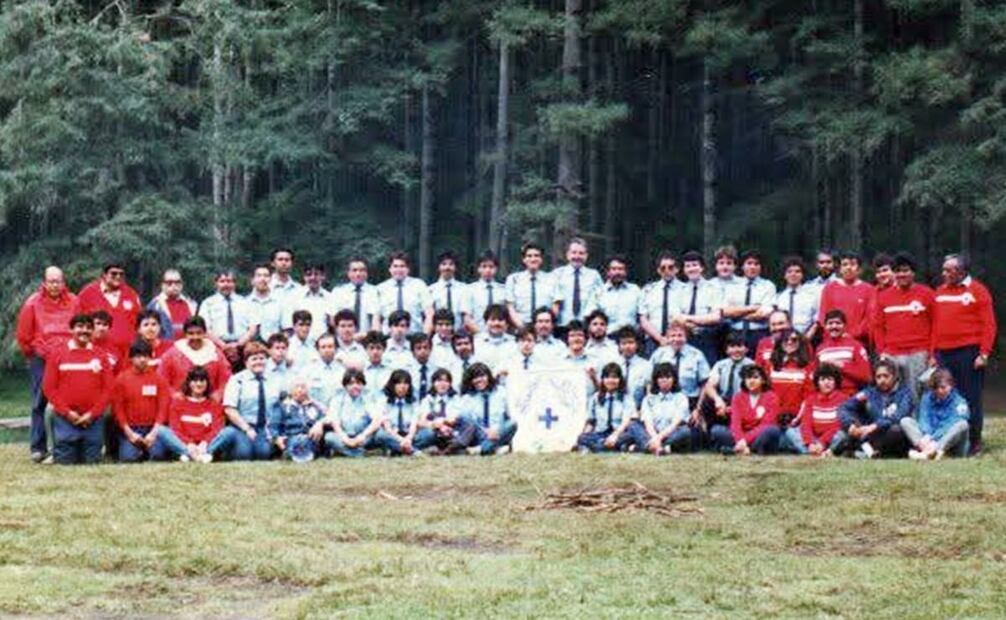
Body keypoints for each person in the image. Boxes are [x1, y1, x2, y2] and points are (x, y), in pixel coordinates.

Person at [931, 253, 996, 455]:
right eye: (943, 269)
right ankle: (949, 441)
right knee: (944, 395)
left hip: (969, 353)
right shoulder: (939, 292)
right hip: (943, 353)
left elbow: (989, 325)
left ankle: (974, 442)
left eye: (949, 270)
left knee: (970, 398)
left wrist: (984, 353)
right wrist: (933, 353)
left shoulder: (978, 290)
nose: (944, 273)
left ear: (962, 271)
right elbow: (935, 325)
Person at [16, 266, 78, 462]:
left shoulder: (74, 301)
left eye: (58, 281)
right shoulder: (32, 303)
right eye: (51, 281)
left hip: (68, 356)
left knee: (69, 399)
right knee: (40, 401)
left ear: (63, 282)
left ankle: (66, 443)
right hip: (42, 358)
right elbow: (24, 336)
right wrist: (33, 354)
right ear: (44, 282)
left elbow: (82, 326)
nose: (54, 285)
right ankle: (38, 447)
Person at [42, 314, 114, 465]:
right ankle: (54, 452)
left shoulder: (100, 355)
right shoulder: (57, 354)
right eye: (80, 326)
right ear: (71, 329)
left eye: (89, 327)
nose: (85, 330)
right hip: (66, 417)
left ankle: (98, 447)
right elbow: (49, 388)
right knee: (66, 461)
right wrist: (68, 413)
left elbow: (108, 389)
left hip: (92, 418)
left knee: (92, 460)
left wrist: (92, 414)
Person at [871, 252, 934, 398]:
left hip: (918, 353)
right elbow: (878, 327)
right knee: (891, 393)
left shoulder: (927, 294)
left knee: (916, 393)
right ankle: (893, 421)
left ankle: (915, 421)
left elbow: (935, 326)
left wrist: (932, 354)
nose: (901, 274)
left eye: (905, 270)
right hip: (891, 353)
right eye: (898, 271)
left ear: (913, 272)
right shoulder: (883, 297)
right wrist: (882, 353)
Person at [213, 342, 280, 461]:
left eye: (262, 358)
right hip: (242, 426)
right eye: (254, 359)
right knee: (244, 455)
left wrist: (274, 433)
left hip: (263, 428)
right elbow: (229, 410)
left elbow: (279, 405)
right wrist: (247, 428)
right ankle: (218, 451)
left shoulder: (274, 380)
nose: (258, 362)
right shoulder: (237, 380)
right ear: (246, 362)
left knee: (264, 454)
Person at [110, 340, 171, 462]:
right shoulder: (121, 379)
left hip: (153, 428)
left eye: (145, 356)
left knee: (158, 456)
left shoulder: (159, 379)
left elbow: (163, 408)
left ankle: (147, 450)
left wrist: (154, 433)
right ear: (131, 358)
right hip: (131, 429)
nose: (142, 360)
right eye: (138, 356)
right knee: (128, 459)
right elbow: (118, 409)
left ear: (150, 357)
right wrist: (130, 434)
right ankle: (136, 450)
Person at [838, 360, 912, 459]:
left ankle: (865, 452)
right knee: (846, 432)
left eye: (886, 376)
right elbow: (844, 408)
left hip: (890, 433)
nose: (882, 380)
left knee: (896, 430)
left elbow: (900, 415)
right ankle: (869, 451)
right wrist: (850, 425)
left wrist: (875, 426)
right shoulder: (868, 393)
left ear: (894, 376)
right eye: (878, 377)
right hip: (870, 435)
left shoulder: (904, 393)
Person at [710, 365, 781, 456]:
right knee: (717, 430)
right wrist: (740, 440)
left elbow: (766, 424)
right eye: (748, 378)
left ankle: (739, 450)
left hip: (759, 435)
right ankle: (746, 450)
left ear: (763, 380)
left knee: (772, 430)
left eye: (755, 378)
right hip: (741, 435)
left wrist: (744, 441)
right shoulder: (738, 397)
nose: (751, 381)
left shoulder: (772, 397)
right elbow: (735, 423)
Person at [157, 367, 224, 463]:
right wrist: (189, 443)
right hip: (185, 443)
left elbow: (216, 428)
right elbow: (175, 428)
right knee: (161, 430)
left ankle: (194, 455)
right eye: (195, 380)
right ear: (188, 383)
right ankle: (193, 455)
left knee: (229, 432)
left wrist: (205, 442)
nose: (199, 384)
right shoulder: (178, 403)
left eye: (202, 380)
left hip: (206, 444)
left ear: (207, 383)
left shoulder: (214, 404)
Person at [694, 333, 754, 439]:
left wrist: (732, 408)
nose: (736, 350)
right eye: (732, 346)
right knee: (707, 401)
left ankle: (732, 436)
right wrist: (718, 400)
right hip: (723, 403)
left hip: (743, 403)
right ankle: (708, 437)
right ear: (726, 350)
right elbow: (710, 386)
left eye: (739, 346)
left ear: (746, 349)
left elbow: (753, 392)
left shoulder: (752, 366)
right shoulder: (720, 365)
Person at [77, 262, 142, 361]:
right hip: (98, 353)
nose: (118, 277)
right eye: (114, 273)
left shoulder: (131, 294)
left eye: (121, 274)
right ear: (104, 275)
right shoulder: (87, 294)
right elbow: (78, 323)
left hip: (127, 354)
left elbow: (139, 322)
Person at [576, 363, 646, 453]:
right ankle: (611, 446)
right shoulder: (595, 398)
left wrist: (615, 435)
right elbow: (591, 422)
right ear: (603, 379)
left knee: (631, 435)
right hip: (601, 434)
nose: (611, 380)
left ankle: (600, 447)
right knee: (582, 438)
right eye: (607, 377)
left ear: (620, 380)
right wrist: (584, 434)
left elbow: (626, 421)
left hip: (620, 433)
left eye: (614, 377)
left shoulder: (626, 398)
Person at [902, 369, 971, 460]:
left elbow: (950, 424)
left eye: (943, 387)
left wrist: (934, 439)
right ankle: (928, 452)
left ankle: (932, 451)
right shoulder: (927, 398)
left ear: (951, 386)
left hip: (950, 445)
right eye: (935, 388)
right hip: (928, 441)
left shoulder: (960, 403)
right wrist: (927, 435)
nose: (939, 391)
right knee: (906, 421)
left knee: (963, 424)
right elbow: (924, 418)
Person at [159, 316, 232, 402]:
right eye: (191, 333)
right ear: (185, 334)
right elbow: (161, 378)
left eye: (199, 333)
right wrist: (173, 394)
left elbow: (226, 378)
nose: (195, 337)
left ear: (205, 333)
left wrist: (219, 394)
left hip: (209, 403)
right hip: (179, 404)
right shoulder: (172, 354)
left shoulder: (216, 354)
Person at [782, 364, 847, 457]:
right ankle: (812, 452)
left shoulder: (843, 399)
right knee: (790, 432)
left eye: (830, 379)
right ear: (817, 382)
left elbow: (838, 425)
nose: (826, 383)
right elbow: (806, 424)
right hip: (814, 438)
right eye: (822, 379)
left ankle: (818, 452)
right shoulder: (811, 399)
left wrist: (822, 442)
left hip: (830, 438)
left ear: (836, 382)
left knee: (842, 434)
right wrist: (810, 443)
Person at [672, 251, 723, 365]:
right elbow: (675, 317)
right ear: (684, 270)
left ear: (702, 268)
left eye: (695, 265)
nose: (691, 269)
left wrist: (688, 318)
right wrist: (698, 321)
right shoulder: (680, 290)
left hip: (707, 339)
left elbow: (715, 317)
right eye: (687, 266)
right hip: (684, 339)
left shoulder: (713, 289)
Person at [454, 363, 516, 455]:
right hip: (479, 434)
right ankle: (492, 449)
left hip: (497, 433)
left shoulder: (501, 392)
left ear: (488, 377)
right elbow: (470, 423)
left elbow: (509, 415)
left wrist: (497, 430)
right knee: (464, 416)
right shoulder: (467, 397)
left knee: (512, 424)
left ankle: (480, 449)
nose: (479, 380)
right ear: (471, 380)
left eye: (482, 376)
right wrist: (486, 431)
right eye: (475, 377)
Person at [198, 270, 256, 365]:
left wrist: (238, 345)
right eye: (222, 281)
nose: (226, 284)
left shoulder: (245, 302)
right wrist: (223, 345)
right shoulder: (208, 303)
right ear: (216, 283)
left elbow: (252, 328)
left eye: (229, 281)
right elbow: (204, 329)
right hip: (216, 348)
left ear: (234, 283)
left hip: (242, 347)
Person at [724, 250, 777, 353]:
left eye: (756, 264)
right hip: (735, 332)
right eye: (749, 263)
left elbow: (765, 313)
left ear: (760, 267)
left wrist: (737, 314)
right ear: (742, 266)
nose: (752, 267)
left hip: (759, 333)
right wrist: (753, 308)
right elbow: (726, 312)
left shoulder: (768, 286)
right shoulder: (732, 286)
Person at [323, 370, 385, 457]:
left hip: (363, 437)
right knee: (329, 437)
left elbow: (376, 421)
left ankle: (346, 451)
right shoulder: (337, 400)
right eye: (351, 384)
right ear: (345, 386)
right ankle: (360, 453)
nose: (355, 386)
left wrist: (362, 436)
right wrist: (346, 440)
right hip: (344, 436)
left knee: (380, 433)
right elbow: (335, 422)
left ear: (363, 385)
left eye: (358, 383)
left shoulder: (368, 399)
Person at [817, 251, 874, 344]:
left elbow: (870, 318)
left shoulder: (869, 290)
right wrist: (836, 333)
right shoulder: (829, 288)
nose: (848, 267)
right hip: (832, 341)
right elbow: (823, 315)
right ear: (839, 269)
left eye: (852, 264)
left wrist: (852, 334)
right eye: (845, 264)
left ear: (859, 269)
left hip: (859, 342)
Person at [766, 330, 814, 439]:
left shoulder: (807, 367)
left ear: (800, 343)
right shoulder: (771, 365)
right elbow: (765, 394)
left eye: (794, 340)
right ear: (779, 342)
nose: (789, 342)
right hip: (772, 418)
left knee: (792, 437)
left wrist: (798, 418)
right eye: (785, 339)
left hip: (796, 420)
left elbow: (808, 398)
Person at [650, 322, 711, 409]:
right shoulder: (659, 354)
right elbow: (649, 382)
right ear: (667, 338)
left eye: (680, 335)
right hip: (663, 402)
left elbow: (705, 384)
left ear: (686, 337)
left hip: (691, 401)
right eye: (673, 336)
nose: (676, 339)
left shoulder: (697, 355)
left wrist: (698, 409)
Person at [640, 363, 698, 454]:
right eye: (661, 377)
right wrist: (655, 437)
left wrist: (658, 438)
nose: (664, 380)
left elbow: (675, 424)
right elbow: (648, 423)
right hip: (652, 433)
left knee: (685, 431)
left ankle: (648, 447)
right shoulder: (648, 399)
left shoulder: (681, 398)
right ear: (656, 380)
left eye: (668, 377)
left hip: (671, 434)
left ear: (674, 379)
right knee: (634, 426)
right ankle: (662, 448)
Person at [374, 370, 435, 456]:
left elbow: (414, 423)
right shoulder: (384, 402)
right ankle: (413, 451)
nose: (402, 387)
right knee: (380, 435)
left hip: (409, 435)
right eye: (399, 383)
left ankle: (397, 450)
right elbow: (387, 427)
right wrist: (401, 440)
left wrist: (408, 438)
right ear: (392, 385)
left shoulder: (413, 402)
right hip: (393, 435)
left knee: (429, 433)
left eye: (406, 383)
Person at [551, 238, 603, 334]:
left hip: (586, 327)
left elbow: (599, 300)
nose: (577, 256)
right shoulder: (557, 274)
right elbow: (553, 301)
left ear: (586, 256)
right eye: (574, 252)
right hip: (562, 326)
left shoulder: (594, 275)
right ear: (567, 255)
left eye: (581, 253)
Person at [270, 375, 326, 462]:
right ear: (290, 391)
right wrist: (277, 438)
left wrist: (320, 424)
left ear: (307, 391)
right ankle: (300, 453)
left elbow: (325, 418)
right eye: (296, 387)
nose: (300, 390)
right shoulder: (282, 406)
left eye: (303, 387)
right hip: (290, 437)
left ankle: (295, 454)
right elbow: (273, 425)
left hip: (310, 438)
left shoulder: (313, 406)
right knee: (296, 441)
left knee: (307, 440)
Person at [816, 310, 872, 397]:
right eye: (830, 323)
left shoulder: (855, 346)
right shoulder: (820, 349)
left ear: (845, 326)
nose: (834, 326)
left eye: (838, 323)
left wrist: (842, 366)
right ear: (825, 326)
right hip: (827, 397)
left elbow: (867, 376)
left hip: (850, 395)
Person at [640, 251, 685, 353]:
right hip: (653, 341)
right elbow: (643, 319)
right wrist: (660, 338)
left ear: (677, 269)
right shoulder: (648, 290)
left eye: (670, 267)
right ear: (658, 270)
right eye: (663, 268)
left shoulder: (685, 289)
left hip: (678, 340)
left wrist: (673, 338)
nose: (666, 270)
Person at [377, 252, 433, 334]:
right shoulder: (381, 288)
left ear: (408, 269)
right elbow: (377, 318)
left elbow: (429, 314)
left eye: (402, 266)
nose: (399, 270)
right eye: (395, 266)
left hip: (414, 336)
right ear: (390, 269)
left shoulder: (419, 285)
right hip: (388, 337)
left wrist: (424, 337)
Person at [505, 243, 556, 328]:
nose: (533, 259)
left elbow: (555, 305)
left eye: (536, 256)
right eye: (529, 256)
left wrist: (547, 325)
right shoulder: (513, 279)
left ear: (541, 259)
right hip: (520, 327)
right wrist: (522, 327)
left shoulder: (552, 279)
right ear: (524, 259)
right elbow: (510, 307)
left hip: (544, 327)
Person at [417, 368, 466, 454]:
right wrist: (434, 425)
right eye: (439, 381)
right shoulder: (427, 400)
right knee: (428, 434)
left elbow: (455, 419)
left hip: (450, 432)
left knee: (459, 435)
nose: (442, 384)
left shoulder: (456, 399)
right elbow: (421, 422)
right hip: (433, 431)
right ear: (433, 383)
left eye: (446, 381)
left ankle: (446, 449)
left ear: (450, 384)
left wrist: (444, 424)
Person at [330, 257, 381, 336]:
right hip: (342, 340)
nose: (358, 274)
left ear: (367, 273)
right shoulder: (338, 292)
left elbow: (376, 320)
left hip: (366, 339)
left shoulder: (374, 292)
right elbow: (332, 320)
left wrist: (369, 337)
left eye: (362, 270)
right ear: (348, 273)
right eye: (354, 270)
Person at [282, 263, 333, 342]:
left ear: (323, 276)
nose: (313, 278)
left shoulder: (330, 298)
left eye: (316, 274)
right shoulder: (293, 297)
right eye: (309, 274)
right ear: (304, 277)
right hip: (298, 346)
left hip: (323, 346)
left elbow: (333, 325)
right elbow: (288, 328)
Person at [146, 269, 196, 341]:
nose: (174, 285)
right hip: (165, 349)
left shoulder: (191, 304)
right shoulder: (155, 305)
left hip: (187, 349)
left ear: (182, 284)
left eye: (177, 282)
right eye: (169, 282)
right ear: (162, 285)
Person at [774, 256, 819, 337]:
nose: (793, 274)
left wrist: (806, 339)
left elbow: (816, 321)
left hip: (806, 338)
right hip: (783, 341)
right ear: (784, 275)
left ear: (802, 275)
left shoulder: (812, 297)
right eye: (789, 272)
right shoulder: (778, 298)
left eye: (797, 271)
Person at [596, 254, 641, 335]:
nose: (617, 272)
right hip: (607, 339)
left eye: (621, 269)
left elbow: (642, 317)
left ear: (626, 272)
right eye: (614, 269)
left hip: (631, 339)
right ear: (608, 272)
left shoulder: (635, 290)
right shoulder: (599, 292)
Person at [465, 251, 507, 335]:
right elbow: (467, 319)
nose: (488, 270)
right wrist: (482, 336)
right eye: (484, 266)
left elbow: (507, 316)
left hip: (501, 336)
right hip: (478, 336)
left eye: (491, 267)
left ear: (496, 268)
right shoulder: (469, 290)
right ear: (478, 269)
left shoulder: (503, 290)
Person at [428, 251, 470, 332]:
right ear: (438, 267)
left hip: (459, 334)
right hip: (439, 334)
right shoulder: (431, 290)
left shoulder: (464, 289)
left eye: (451, 264)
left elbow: (466, 315)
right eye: (444, 264)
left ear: (455, 267)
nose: (447, 267)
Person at [303, 334, 346, 409]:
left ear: (336, 349)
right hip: (315, 413)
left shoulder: (343, 371)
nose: (327, 350)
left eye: (330, 346)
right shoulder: (308, 371)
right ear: (317, 350)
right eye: (323, 347)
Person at [472, 304, 517, 375]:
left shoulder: (515, 343)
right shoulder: (475, 342)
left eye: (500, 320)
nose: (496, 323)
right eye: (492, 320)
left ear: (507, 323)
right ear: (486, 322)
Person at [615, 327, 652, 408]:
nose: (627, 346)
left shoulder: (646, 366)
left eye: (631, 342)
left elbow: (649, 393)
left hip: (637, 410)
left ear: (637, 344)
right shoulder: (613, 364)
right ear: (619, 346)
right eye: (623, 343)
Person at [247, 264, 284, 343]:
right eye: (259, 276)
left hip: (274, 347)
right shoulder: (244, 303)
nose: (262, 279)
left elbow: (286, 330)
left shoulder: (280, 302)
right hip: (250, 348)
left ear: (271, 279)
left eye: (266, 276)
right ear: (252, 280)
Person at [563, 320, 599, 399]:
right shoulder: (558, 361)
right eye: (572, 335)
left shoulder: (595, 360)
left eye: (580, 335)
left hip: (589, 405)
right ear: (567, 339)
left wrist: (594, 378)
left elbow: (602, 390)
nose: (576, 339)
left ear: (586, 338)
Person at [361, 331, 392, 404]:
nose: (375, 352)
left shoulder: (391, 370)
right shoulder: (361, 370)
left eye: (378, 348)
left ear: (384, 349)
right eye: (371, 348)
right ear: (366, 349)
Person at [409, 333, 441, 400]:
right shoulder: (407, 371)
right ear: (412, 352)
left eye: (425, 347)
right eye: (418, 348)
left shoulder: (437, 371)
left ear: (430, 350)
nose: (423, 351)